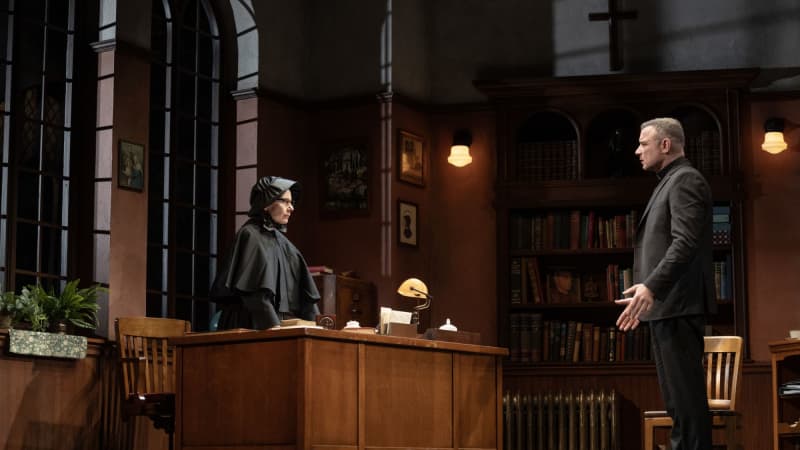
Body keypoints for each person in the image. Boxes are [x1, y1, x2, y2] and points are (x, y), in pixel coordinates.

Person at [615, 118, 716, 450]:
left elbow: (684, 243)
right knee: (677, 401)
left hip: (678, 304)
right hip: (666, 307)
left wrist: (651, 286)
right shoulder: (669, 181)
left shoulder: (685, 180)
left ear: (665, 144)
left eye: (643, 143)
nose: (637, 150)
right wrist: (647, 295)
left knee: (685, 401)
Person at [211, 176, 320, 330]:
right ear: (266, 204)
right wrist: (273, 326)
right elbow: (255, 295)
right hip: (250, 325)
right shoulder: (250, 236)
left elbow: (307, 298)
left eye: (291, 202)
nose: (291, 208)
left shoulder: (286, 245)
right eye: (284, 201)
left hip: (279, 327)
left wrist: (319, 327)